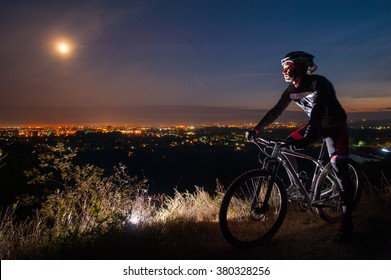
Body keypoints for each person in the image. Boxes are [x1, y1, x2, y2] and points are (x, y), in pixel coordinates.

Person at [247, 51, 354, 243]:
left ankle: (347, 223)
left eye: (287, 67)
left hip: (335, 127)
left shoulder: (319, 83)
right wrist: (256, 129)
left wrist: (307, 139)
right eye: (283, 68)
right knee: (284, 147)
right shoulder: (291, 89)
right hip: (316, 124)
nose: (284, 71)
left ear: (299, 67)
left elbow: (318, 111)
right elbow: (276, 111)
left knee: (340, 170)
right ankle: (296, 188)